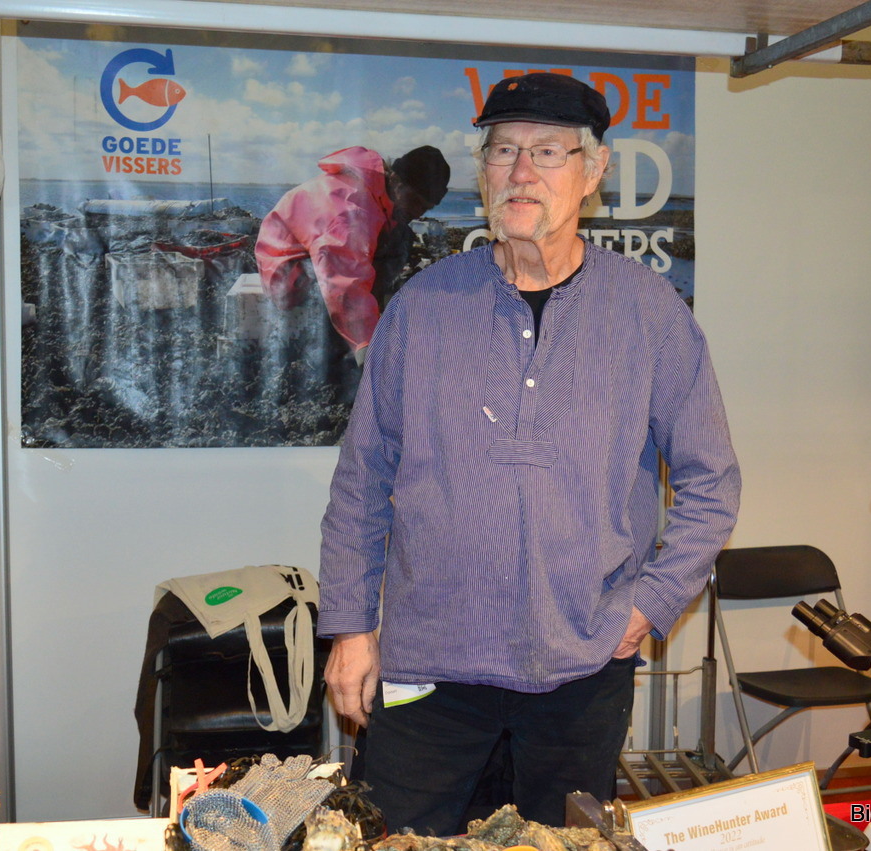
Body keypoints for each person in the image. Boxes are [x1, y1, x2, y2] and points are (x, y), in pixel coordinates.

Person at [315, 72, 740, 834]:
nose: (521, 171)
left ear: (594, 171)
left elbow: (713, 482)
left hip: (581, 674)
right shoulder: (421, 309)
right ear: (482, 172)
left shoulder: (649, 314)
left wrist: (648, 606)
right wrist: (351, 627)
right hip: (429, 673)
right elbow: (361, 481)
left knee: (560, 843)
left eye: (547, 151)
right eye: (503, 150)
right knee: (399, 841)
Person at [254, 145, 450, 366]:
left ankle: (370, 321)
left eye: (425, 208)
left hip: (318, 258)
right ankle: (343, 347)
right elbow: (344, 283)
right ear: (395, 180)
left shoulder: (378, 193)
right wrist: (369, 349)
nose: (417, 212)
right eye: (414, 201)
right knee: (352, 292)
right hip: (287, 274)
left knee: (401, 238)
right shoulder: (350, 211)